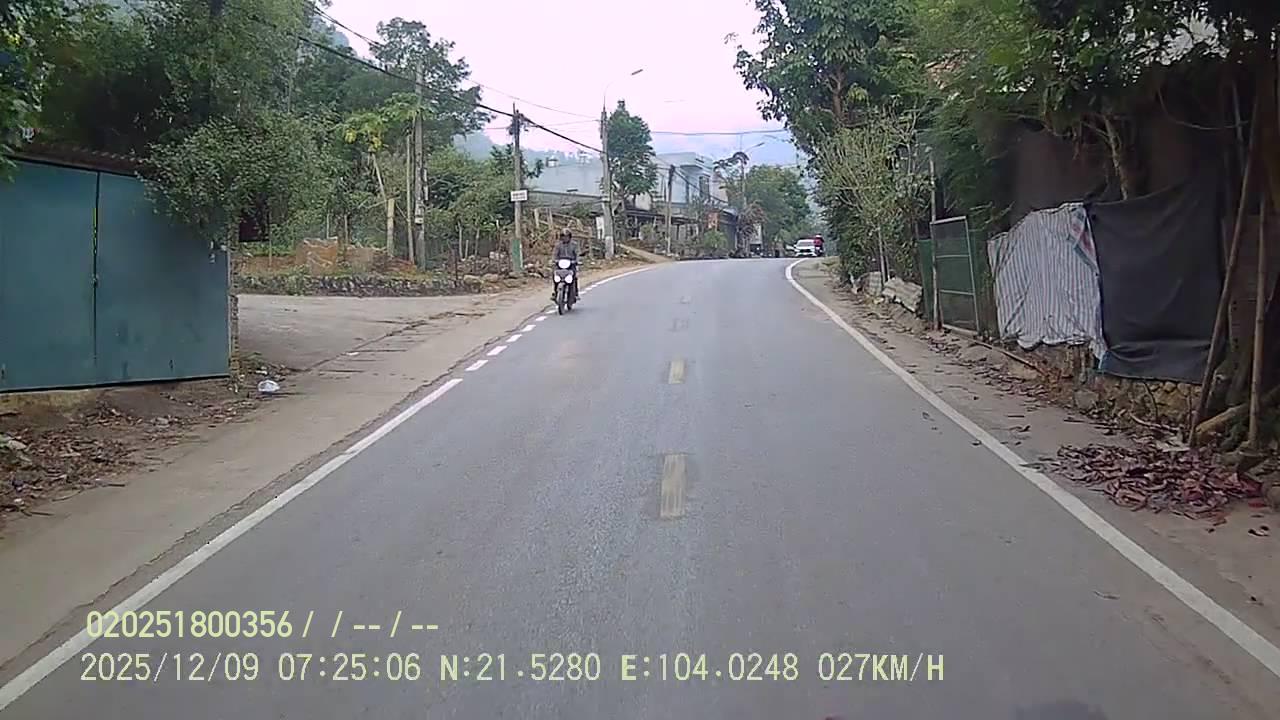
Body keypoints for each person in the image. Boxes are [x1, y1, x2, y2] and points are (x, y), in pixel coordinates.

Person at [551, 230, 580, 302]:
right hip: (560, 264)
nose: (565, 238)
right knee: (555, 275)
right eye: (563, 236)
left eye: (567, 236)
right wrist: (554, 260)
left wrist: (576, 261)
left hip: (571, 264)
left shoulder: (574, 245)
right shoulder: (558, 245)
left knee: (574, 277)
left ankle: (576, 293)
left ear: (570, 237)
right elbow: (554, 254)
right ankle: (555, 292)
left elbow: (577, 254)